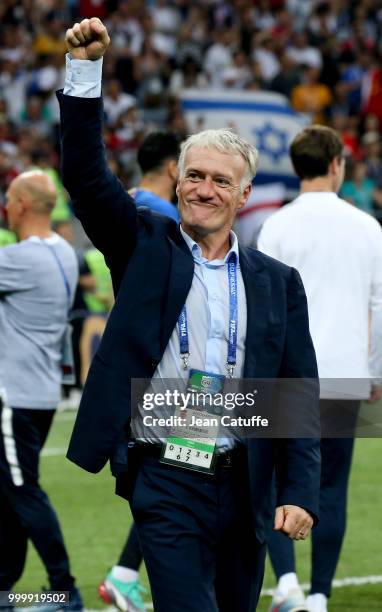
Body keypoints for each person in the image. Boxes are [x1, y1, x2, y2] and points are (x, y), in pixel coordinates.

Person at [59, 18, 321, 612]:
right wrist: (85, 71)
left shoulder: (277, 283)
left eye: (219, 181)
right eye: (193, 176)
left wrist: (300, 490)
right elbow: (84, 176)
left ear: (243, 194)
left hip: (244, 480)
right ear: (176, 183)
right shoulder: (143, 245)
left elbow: (297, 393)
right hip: (166, 478)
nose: (203, 189)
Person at [258, 125, 382, 612]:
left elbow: (263, 305)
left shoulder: (276, 226)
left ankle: (286, 582)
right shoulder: (367, 227)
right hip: (344, 372)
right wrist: (374, 373)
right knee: (331, 486)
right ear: (336, 164)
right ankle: (320, 595)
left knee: (270, 480)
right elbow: (380, 306)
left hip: (286, 374)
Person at [98, 131, 181, 612]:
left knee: (174, 465)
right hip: (170, 365)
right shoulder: (165, 215)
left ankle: (127, 572)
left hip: (134, 356)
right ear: (174, 168)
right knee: (189, 464)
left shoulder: (128, 202)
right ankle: (127, 573)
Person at [0, 172, 82, 610]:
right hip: (44, 388)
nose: (5, 208)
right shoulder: (65, 253)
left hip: (14, 393)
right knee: (11, 491)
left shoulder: (18, 259)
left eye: (9, 200)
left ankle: (63, 588)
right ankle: (5, 588)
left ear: (22, 205)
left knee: (22, 489)